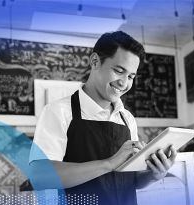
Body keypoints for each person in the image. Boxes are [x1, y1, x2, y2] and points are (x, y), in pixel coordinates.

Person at [29, 31, 177, 205]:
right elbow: (40, 177)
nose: (124, 83)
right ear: (95, 61)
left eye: (130, 76)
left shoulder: (127, 118)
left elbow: (132, 180)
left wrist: (153, 175)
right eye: (119, 71)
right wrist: (109, 164)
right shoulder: (58, 111)